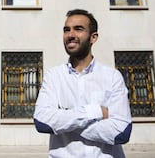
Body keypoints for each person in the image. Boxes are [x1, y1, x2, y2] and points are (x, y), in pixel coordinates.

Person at [34, 9, 132, 157]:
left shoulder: (112, 77)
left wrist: (64, 120)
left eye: (78, 29)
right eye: (67, 30)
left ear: (93, 37)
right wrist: (96, 112)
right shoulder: (53, 77)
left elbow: (121, 132)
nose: (70, 35)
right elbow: (42, 122)